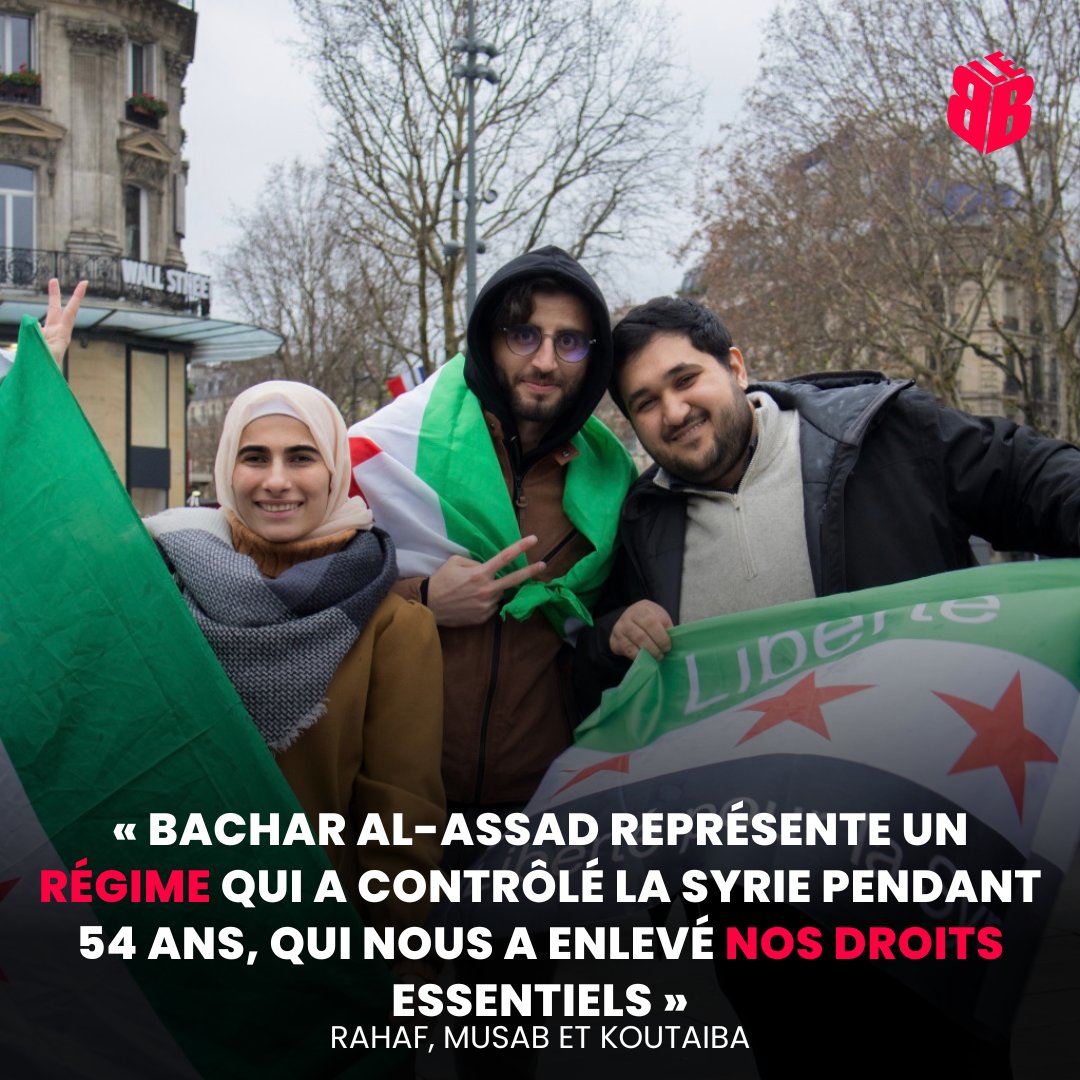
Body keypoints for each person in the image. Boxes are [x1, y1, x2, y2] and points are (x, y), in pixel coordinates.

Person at [575, 295, 1080, 1078]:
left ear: (736, 367)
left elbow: (1030, 480)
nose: (673, 412)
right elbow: (606, 677)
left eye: (686, 380)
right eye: (645, 402)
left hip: (926, 865)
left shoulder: (881, 433)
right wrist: (612, 636)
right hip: (760, 910)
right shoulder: (639, 526)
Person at [349, 245, 635, 1079]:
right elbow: (302, 593)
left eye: (571, 341)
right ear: (487, 339)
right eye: (523, 334)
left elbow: (605, 622)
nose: (545, 359)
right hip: (397, 814)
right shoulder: (389, 454)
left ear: (593, 359)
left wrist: (625, 620)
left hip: (530, 826)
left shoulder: (612, 481)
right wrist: (422, 601)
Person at [143, 381, 445, 947]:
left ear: (333, 469)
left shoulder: (394, 628)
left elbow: (398, 825)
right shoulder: (162, 587)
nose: (276, 480)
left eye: (301, 457)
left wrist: (401, 962)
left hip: (311, 948)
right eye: (254, 457)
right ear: (228, 471)